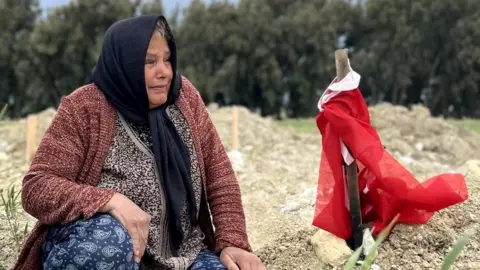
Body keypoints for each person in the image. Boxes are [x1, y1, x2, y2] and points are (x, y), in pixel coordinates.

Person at [14, 15, 267, 270]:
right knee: (107, 244)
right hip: (105, 248)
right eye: (150, 62)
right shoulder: (84, 108)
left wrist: (233, 242)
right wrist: (109, 200)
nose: (165, 72)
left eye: (167, 59)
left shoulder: (184, 98)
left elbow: (218, 175)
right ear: (125, 64)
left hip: (183, 256)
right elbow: (37, 187)